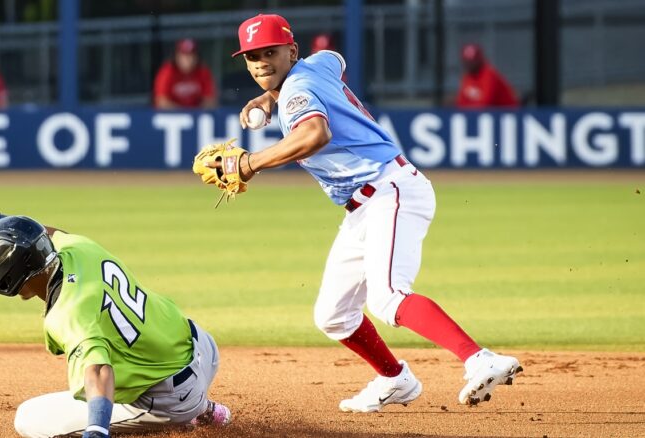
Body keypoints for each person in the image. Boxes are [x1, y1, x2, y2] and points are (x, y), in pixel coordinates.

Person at [200, 13, 523, 413]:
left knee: (387, 298)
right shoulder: (313, 67)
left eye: (270, 52)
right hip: (364, 205)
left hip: (390, 191)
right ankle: (395, 379)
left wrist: (250, 163)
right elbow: (335, 58)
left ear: (291, 51)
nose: (261, 62)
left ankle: (480, 359)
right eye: (252, 57)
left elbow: (315, 134)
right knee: (333, 316)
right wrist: (272, 96)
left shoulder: (298, 89)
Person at [0, 176, 231, 437]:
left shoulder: (67, 312)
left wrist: (96, 430)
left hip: (171, 397)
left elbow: (98, 370)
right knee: (131, 349)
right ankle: (205, 410)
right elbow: (46, 235)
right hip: (202, 347)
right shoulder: (78, 248)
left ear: (13, 276)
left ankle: (187, 413)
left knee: (30, 419)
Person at [153, 38, 217, 109]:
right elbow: (161, 102)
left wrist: (195, 113)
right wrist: (185, 113)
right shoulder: (167, 71)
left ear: (197, 57)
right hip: (171, 117)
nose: (187, 59)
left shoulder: (203, 72)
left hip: (197, 115)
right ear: (176, 56)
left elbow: (210, 101)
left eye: (191, 55)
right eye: (184, 55)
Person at [456, 43, 518, 108]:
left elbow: (485, 103)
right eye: (467, 61)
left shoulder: (489, 75)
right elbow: (461, 103)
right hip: (488, 115)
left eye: (473, 61)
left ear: (480, 59)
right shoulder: (467, 77)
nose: (470, 64)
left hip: (508, 114)